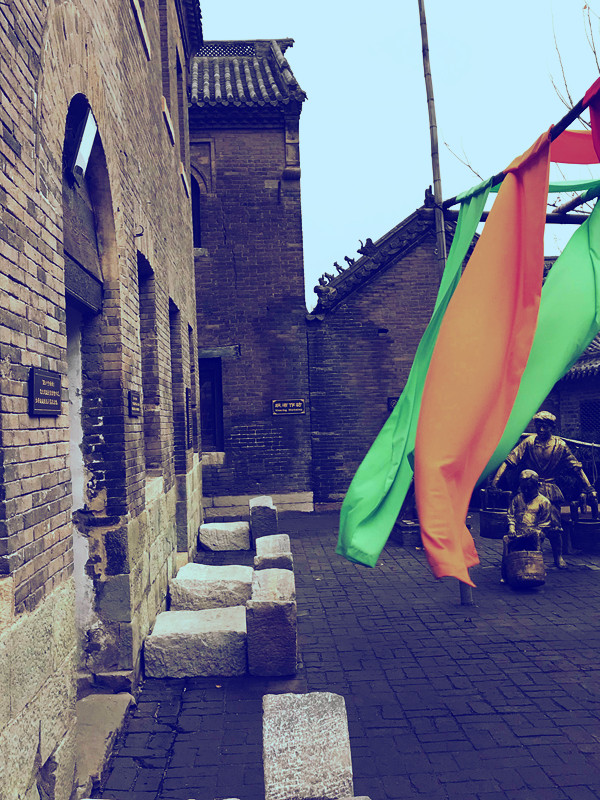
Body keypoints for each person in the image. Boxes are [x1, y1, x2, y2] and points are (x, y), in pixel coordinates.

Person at [491, 411, 597, 568]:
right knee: (521, 523)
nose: (541, 430)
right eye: (538, 426)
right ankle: (519, 556)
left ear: (552, 427)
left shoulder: (560, 445)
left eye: (545, 426)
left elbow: (576, 467)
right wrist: (494, 483)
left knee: (555, 526)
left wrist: (589, 487)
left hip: (550, 489)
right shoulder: (528, 442)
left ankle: (558, 556)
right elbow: (509, 461)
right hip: (528, 489)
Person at [502, 470, 551, 582]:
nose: (526, 491)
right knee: (507, 540)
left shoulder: (544, 502)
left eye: (529, 488)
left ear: (536, 486)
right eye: (523, 488)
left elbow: (545, 523)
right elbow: (510, 515)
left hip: (534, 533)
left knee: (536, 537)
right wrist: (511, 528)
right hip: (518, 532)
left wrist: (534, 531)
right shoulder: (517, 498)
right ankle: (506, 573)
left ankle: (537, 570)